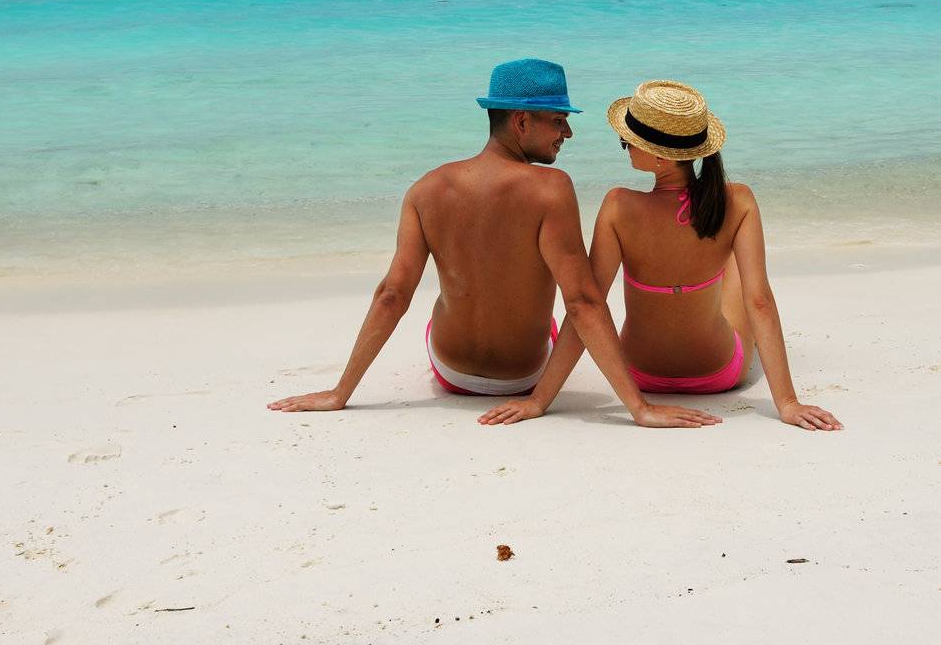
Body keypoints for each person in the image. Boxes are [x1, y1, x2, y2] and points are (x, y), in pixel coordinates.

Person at [267, 58, 720, 428]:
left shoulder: (425, 189)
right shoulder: (551, 189)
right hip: (522, 377)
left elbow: (392, 295)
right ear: (522, 121)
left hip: (450, 372)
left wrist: (339, 393)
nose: (568, 134)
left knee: (446, 299)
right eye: (559, 121)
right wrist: (637, 408)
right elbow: (582, 301)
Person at [478, 79, 842, 431]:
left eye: (628, 141)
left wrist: (539, 401)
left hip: (641, 373)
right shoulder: (740, 201)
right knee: (731, 261)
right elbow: (759, 302)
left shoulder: (618, 207)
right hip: (718, 373)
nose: (624, 145)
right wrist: (788, 403)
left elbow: (586, 307)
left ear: (658, 156)